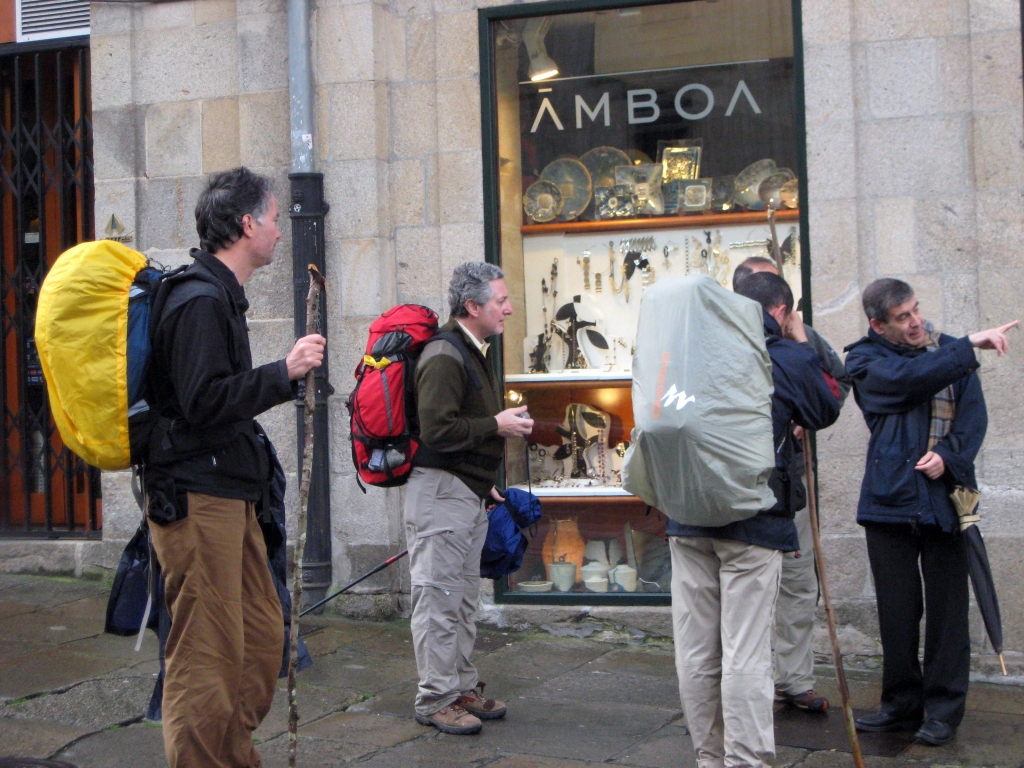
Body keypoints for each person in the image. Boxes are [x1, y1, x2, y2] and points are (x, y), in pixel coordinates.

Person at [144, 167, 326, 767]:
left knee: (260, 636)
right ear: (247, 225)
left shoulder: (218, 294)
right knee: (207, 653)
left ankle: (230, 754)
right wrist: (284, 372)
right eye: (273, 219)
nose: (278, 230)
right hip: (198, 501)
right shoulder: (199, 299)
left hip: (228, 495)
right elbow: (201, 402)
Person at [668, 271, 841, 768]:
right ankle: (745, 761)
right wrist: (801, 339)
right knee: (745, 652)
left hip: (688, 513)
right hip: (753, 519)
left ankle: (709, 756)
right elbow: (825, 407)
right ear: (781, 312)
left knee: (697, 650)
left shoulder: (691, 348)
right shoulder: (784, 355)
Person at [845, 278, 1017, 746]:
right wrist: (966, 346)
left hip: (945, 498)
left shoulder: (951, 356)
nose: (916, 321)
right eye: (902, 317)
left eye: (916, 310)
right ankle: (900, 706)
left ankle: (942, 711)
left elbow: (973, 420)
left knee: (948, 612)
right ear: (878, 325)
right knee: (897, 613)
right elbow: (903, 384)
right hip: (888, 501)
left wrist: (950, 458)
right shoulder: (864, 360)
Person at [406, 261, 534, 735]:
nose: (509, 308)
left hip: (463, 493)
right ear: (472, 306)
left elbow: (455, 431)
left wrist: (485, 483)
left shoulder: (470, 348)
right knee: (438, 599)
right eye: (501, 301)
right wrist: (496, 425)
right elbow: (437, 429)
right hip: (440, 496)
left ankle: (459, 688)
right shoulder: (445, 353)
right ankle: (434, 698)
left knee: (460, 600)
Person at [733, 256, 850, 713]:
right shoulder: (729, 339)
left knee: (799, 584)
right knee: (748, 592)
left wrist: (802, 342)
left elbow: (836, 388)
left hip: (793, 480)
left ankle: (794, 678)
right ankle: (749, 679)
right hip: (746, 485)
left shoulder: (801, 335)